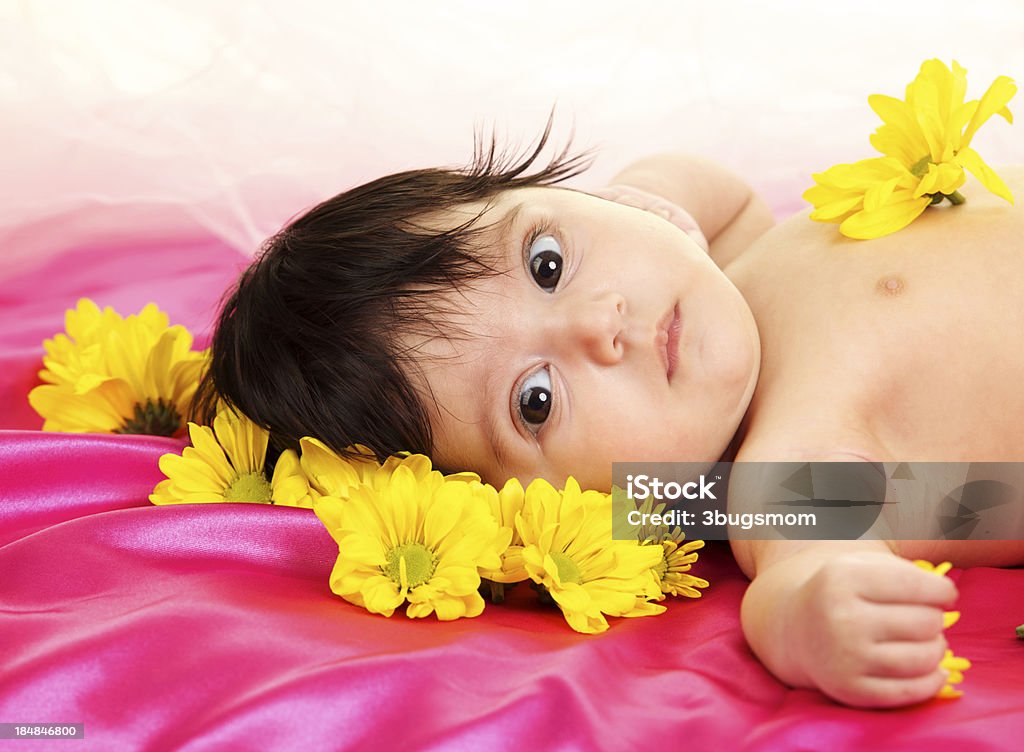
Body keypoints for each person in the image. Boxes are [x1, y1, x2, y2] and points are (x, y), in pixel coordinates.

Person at [194, 122, 1024, 708]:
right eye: (537, 401)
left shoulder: (728, 262)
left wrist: (649, 198)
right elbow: (806, 561)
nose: (600, 322)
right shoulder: (787, 466)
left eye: (547, 261)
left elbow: (717, 192)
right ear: (555, 507)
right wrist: (814, 613)